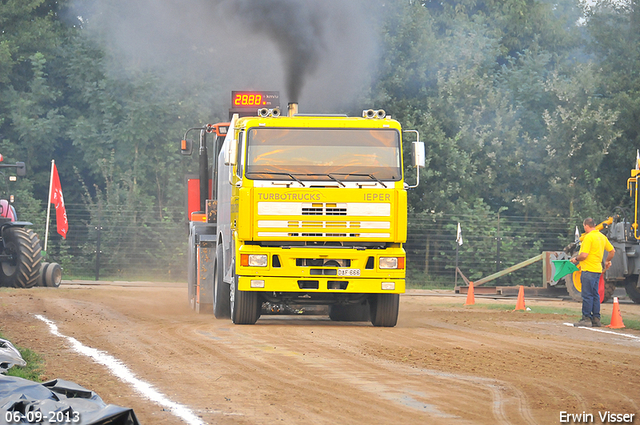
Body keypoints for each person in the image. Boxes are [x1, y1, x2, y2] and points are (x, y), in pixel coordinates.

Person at [570, 218, 615, 327]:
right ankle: (596, 318)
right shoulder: (602, 237)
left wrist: (576, 259)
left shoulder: (588, 237)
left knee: (587, 295)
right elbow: (612, 251)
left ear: (586, 225)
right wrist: (608, 261)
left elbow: (584, 255)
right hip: (597, 270)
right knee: (595, 295)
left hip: (588, 270)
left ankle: (586, 318)